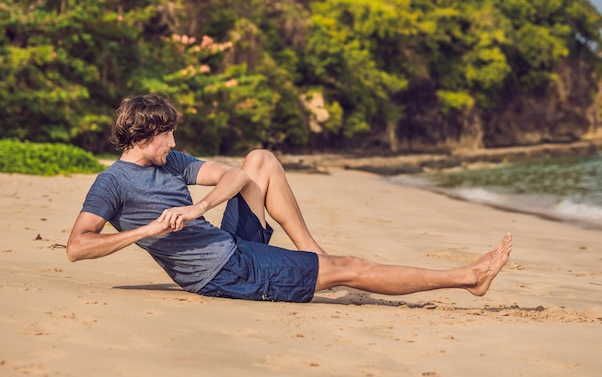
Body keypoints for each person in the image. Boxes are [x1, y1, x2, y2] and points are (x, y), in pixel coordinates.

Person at [67, 93, 513, 303]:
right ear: (145, 134)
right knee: (350, 268)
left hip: (231, 245)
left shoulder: (172, 161)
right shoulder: (113, 184)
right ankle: (467, 278)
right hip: (225, 273)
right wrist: (147, 229)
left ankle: (313, 254)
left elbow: (237, 174)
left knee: (259, 158)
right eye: (167, 132)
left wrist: (198, 207)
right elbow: (77, 247)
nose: (173, 139)